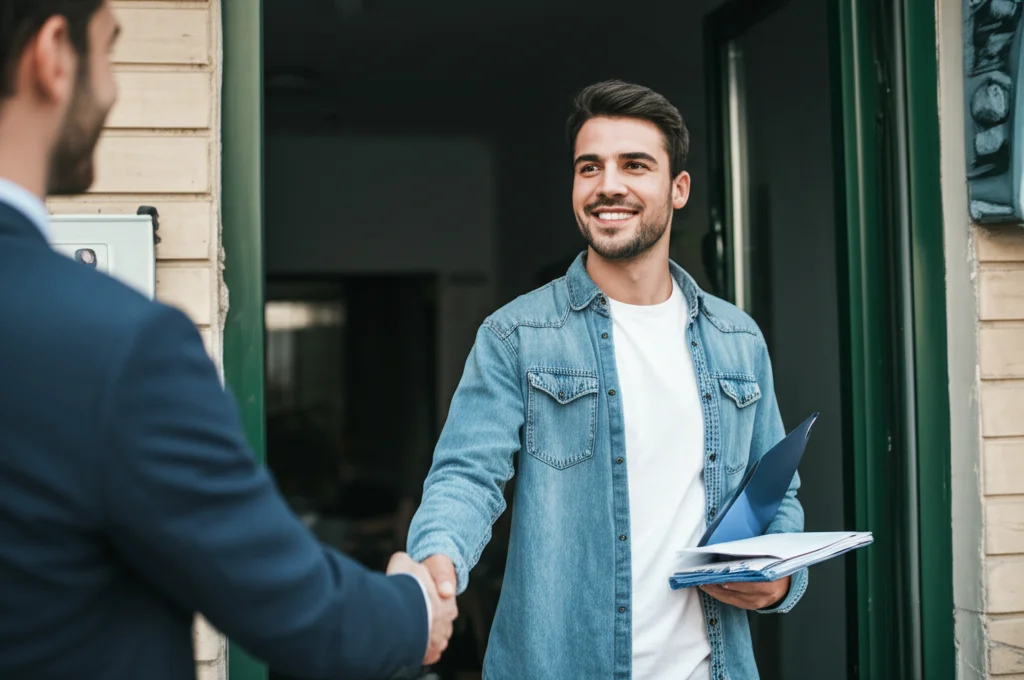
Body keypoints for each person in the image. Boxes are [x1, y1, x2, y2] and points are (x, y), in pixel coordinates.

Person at [0, 2, 456, 678]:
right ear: (54, 54)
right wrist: (414, 607)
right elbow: (297, 609)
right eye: (109, 51)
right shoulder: (116, 345)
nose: (114, 90)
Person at [407, 80, 807, 680]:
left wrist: (779, 581)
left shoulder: (738, 340)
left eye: (634, 165)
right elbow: (466, 476)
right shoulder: (516, 334)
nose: (608, 185)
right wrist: (434, 569)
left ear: (678, 190)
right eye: (589, 167)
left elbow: (778, 497)